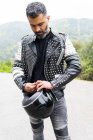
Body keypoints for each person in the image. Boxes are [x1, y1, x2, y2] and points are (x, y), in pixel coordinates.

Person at [12, 2, 81, 140]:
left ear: (48, 18)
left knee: (63, 137)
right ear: (28, 21)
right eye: (33, 25)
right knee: (37, 135)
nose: (37, 29)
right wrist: (24, 85)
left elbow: (75, 66)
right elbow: (17, 66)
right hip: (32, 100)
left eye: (41, 24)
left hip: (56, 97)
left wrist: (53, 83)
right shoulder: (24, 42)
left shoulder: (62, 39)